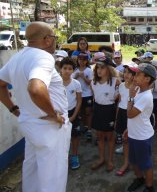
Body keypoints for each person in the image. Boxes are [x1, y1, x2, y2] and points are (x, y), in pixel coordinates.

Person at [0, 22, 71, 192]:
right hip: (49, 126)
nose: (55, 41)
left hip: (30, 124)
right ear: (47, 40)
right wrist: (53, 114)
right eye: (54, 37)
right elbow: (36, 88)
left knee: (32, 169)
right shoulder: (43, 57)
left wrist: (13, 109)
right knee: (52, 177)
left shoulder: (18, 57)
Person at [125, 63, 157, 192]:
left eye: (138, 74)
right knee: (134, 161)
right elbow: (135, 117)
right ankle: (139, 179)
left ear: (147, 79)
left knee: (145, 164)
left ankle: (149, 187)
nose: (134, 76)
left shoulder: (146, 96)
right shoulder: (139, 91)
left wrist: (130, 97)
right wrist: (128, 129)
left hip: (142, 137)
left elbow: (130, 114)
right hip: (134, 133)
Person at [90, 56, 119, 172]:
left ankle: (110, 160)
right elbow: (95, 96)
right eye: (97, 68)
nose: (99, 70)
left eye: (102, 68)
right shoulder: (93, 83)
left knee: (110, 137)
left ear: (108, 69)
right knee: (100, 136)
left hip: (109, 110)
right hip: (98, 109)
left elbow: (119, 98)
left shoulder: (115, 82)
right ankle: (102, 159)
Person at [60, 57, 82, 170]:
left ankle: (74, 155)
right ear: (60, 69)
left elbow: (79, 101)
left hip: (73, 112)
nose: (67, 71)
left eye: (70, 68)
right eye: (65, 68)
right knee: (61, 137)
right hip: (59, 114)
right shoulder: (55, 83)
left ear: (73, 70)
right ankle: (63, 158)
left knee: (75, 136)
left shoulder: (76, 83)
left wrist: (73, 116)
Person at [115, 65, 136, 176]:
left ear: (134, 75)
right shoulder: (122, 86)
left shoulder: (136, 88)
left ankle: (128, 161)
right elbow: (120, 101)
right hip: (122, 113)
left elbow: (135, 106)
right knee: (124, 137)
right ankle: (126, 161)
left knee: (130, 137)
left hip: (132, 114)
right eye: (125, 72)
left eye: (129, 72)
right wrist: (117, 116)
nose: (126, 74)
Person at [72, 52, 93, 140]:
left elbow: (90, 83)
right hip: (78, 94)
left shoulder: (89, 70)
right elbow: (71, 81)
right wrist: (76, 76)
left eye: (83, 60)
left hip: (87, 94)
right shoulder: (75, 70)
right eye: (80, 59)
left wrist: (84, 77)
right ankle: (84, 126)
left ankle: (89, 129)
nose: (81, 61)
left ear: (86, 61)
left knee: (88, 112)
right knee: (81, 112)